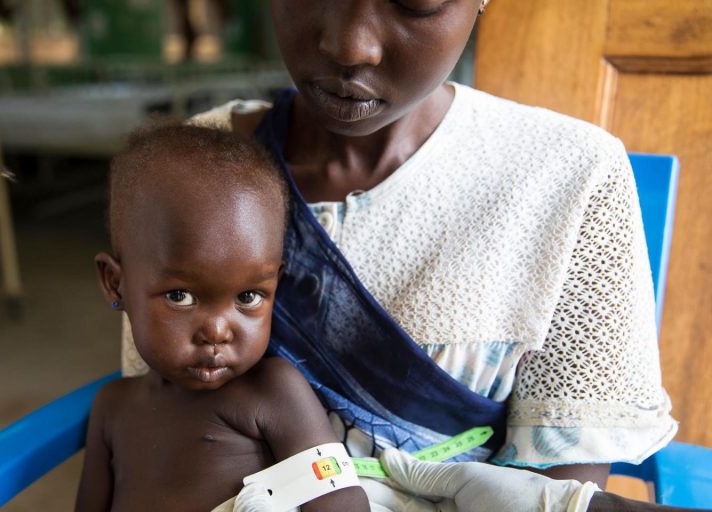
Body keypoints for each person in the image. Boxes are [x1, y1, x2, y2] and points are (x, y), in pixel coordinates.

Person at [119, 0, 686, 510]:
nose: (349, 45)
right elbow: (156, 416)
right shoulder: (188, 165)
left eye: (414, 1)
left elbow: (559, 489)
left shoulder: (568, 176)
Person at [76, 124, 370, 511]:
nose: (217, 330)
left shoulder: (273, 392)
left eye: (249, 296)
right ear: (116, 284)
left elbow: (341, 503)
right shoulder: (111, 408)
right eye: (180, 296)